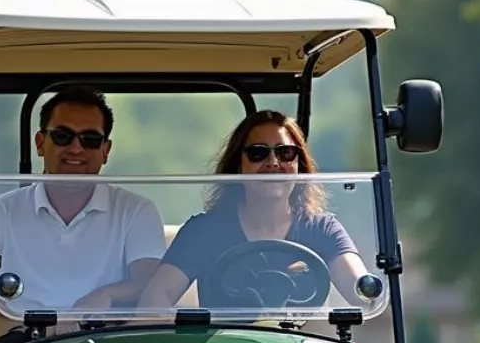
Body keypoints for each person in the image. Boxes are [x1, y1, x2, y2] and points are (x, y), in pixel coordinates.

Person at [0, 86, 166, 343]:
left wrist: (104, 297)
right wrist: (34, 315)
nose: (76, 148)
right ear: (40, 143)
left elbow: (150, 283)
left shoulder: (136, 210)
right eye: (62, 136)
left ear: (105, 150)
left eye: (90, 139)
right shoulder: (0, 212)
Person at [137, 109, 373, 312]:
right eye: (258, 153)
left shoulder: (322, 229)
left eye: (285, 153)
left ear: (298, 164)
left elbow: (360, 288)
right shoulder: (204, 231)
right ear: (239, 165)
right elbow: (157, 296)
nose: (273, 162)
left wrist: (367, 288)